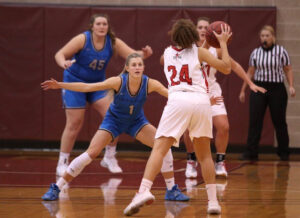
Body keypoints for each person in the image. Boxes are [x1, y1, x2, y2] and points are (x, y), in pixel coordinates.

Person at [41, 53, 189, 202]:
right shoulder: (118, 81)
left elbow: (173, 95)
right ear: (127, 68)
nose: (137, 67)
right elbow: (88, 87)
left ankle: (171, 190)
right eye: (134, 65)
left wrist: (200, 100)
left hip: (136, 122)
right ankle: (57, 187)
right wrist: (60, 85)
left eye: (140, 65)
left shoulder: (150, 83)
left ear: (143, 67)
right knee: (91, 153)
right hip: (114, 121)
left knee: (164, 147)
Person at [124, 19, 232, 216]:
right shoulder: (200, 52)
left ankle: (143, 191)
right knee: (206, 155)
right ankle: (213, 202)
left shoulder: (167, 53)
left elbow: (181, 52)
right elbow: (226, 67)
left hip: (177, 100)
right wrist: (222, 42)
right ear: (192, 35)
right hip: (200, 101)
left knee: (159, 149)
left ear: (174, 36)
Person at [54, 13, 153, 176]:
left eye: (104, 24)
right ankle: (62, 162)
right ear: (92, 26)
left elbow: (133, 55)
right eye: (98, 24)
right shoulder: (82, 39)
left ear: (108, 27)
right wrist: (63, 62)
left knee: (115, 115)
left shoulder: (112, 42)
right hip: (75, 82)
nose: (101, 27)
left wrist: (145, 54)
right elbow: (59, 54)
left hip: (97, 84)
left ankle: (109, 156)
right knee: (75, 123)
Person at [183, 17, 267, 179]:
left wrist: (250, 83)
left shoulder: (217, 50)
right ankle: (191, 160)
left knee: (224, 127)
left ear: (211, 31)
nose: (202, 30)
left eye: (206, 27)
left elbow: (233, 66)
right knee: (189, 130)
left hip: (212, 90)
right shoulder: (189, 49)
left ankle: (220, 161)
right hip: (193, 92)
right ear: (195, 30)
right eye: (199, 27)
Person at [239, 25, 295, 161]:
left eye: (267, 36)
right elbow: (250, 72)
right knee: (255, 121)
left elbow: (288, 69)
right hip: (259, 87)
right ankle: (251, 152)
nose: (264, 38)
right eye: (262, 36)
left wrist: (291, 86)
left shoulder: (281, 51)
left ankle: (284, 152)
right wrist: (243, 90)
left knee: (279, 121)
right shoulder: (255, 53)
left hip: (277, 89)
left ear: (273, 37)